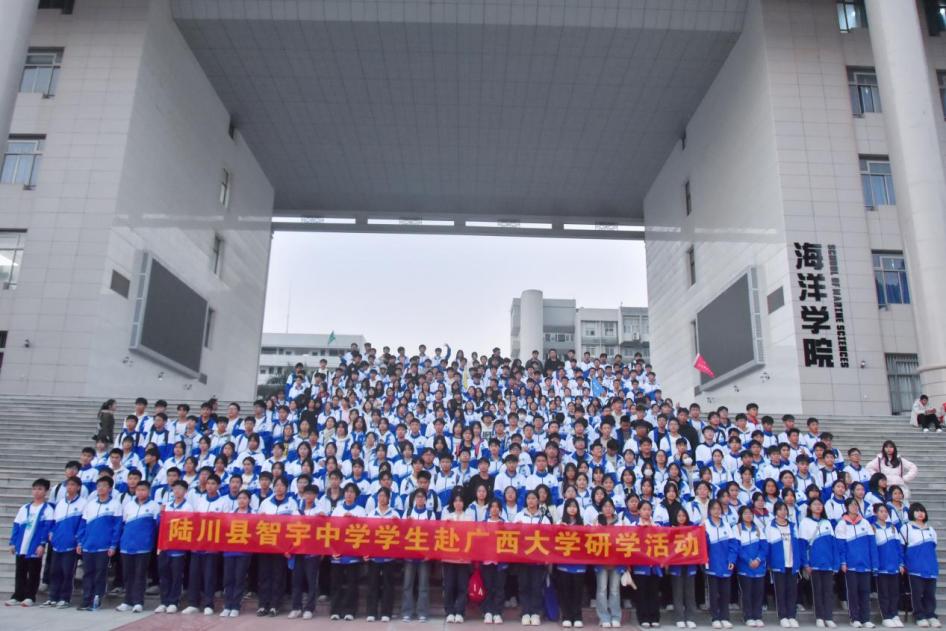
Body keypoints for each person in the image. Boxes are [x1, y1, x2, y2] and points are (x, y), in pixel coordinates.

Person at [76, 476, 122, 611]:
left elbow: (117, 527)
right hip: (88, 546)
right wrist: (80, 542)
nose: (101, 488)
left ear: (110, 488)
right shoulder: (90, 504)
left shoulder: (115, 505)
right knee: (87, 573)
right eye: (99, 486)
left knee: (100, 574)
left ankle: (97, 599)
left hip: (104, 546)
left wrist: (113, 545)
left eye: (104, 486)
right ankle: (86, 599)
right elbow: (83, 525)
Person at [7, 479, 54, 607]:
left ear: (46, 491)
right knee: (20, 571)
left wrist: (42, 544)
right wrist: (13, 542)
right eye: (35, 489)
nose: (37, 491)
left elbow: (47, 528)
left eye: (40, 489)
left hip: (35, 546)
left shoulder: (47, 509)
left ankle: (30, 596)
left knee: (33, 572)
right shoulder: (24, 508)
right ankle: (17, 596)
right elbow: (16, 525)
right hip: (21, 545)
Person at [115, 480, 160, 613]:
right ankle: (127, 601)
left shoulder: (154, 506)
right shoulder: (128, 505)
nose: (140, 492)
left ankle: (138, 602)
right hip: (127, 545)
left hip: (143, 546)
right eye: (138, 490)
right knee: (127, 575)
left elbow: (156, 526)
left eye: (143, 490)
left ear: (149, 491)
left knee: (140, 575)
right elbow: (123, 524)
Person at [256, 475, 295, 617]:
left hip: (282, 546)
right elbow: (257, 523)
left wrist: (289, 547)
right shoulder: (266, 503)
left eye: (282, 485)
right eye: (277, 485)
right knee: (264, 575)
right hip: (266, 544)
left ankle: (275, 605)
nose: (279, 488)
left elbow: (295, 525)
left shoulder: (291, 503)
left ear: (286, 488)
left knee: (279, 575)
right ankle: (263, 605)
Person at [836, 497, 877, 628]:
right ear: (846, 507)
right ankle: (854, 618)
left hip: (865, 564)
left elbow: (872, 544)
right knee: (852, 592)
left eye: (856, 504)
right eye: (852, 504)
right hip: (851, 565)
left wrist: (874, 563)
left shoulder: (865, 522)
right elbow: (841, 546)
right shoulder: (842, 524)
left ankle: (866, 619)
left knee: (865, 592)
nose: (855, 506)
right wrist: (843, 562)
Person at [45, 475, 85, 608]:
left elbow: (82, 525)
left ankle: (65, 598)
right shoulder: (61, 503)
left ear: (78, 487)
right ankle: (53, 597)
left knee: (67, 572)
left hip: (71, 544)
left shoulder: (83, 503)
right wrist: (52, 533)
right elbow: (54, 521)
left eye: (73, 485)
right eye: (68, 485)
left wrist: (78, 540)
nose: (70, 487)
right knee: (54, 571)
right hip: (57, 543)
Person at [799, 498, 839, 628]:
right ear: (809, 507)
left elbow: (834, 545)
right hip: (814, 564)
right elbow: (802, 545)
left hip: (828, 563)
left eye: (820, 504)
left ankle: (829, 617)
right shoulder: (805, 522)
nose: (818, 506)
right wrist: (805, 564)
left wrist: (836, 564)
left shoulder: (827, 522)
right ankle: (819, 617)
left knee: (828, 592)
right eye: (815, 504)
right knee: (817, 591)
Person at [514, 490, 551, 626]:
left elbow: (549, 538)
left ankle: (535, 613)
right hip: (523, 558)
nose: (531, 501)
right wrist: (516, 528)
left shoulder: (544, 518)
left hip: (537, 558)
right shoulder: (519, 516)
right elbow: (512, 536)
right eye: (529, 498)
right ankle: (525, 612)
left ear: (538, 500)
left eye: (534, 498)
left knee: (536, 586)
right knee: (523, 585)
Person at [330, 483, 366, 620]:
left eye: (352, 492)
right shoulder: (337, 510)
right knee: (336, 584)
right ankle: (335, 610)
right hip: (338, 552)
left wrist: (354, 520)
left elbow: (365, 530)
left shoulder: (361, 511)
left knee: (352, 584)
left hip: (353, 553)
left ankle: (350, 611)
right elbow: (331, 530)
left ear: (356, 495)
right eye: (346, 491)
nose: (349, 494)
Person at [901, 503, 939, 628]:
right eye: (917, 511)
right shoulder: (906, 528)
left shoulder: (931, 530)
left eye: (922, 511)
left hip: (930, 567)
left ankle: (931, 615)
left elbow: (933, 547)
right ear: (912, 513)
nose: (920, 513)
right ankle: (919, 616)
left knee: (930, 594)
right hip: (915, 567)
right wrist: (903, 563)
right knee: (917, 593)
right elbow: (901, 547)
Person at [156, 479, 191, 614]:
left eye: (180, 489)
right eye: (175, 489)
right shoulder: (167, 506)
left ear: (185, 491)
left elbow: (188, 524)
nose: (177, 491)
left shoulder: (188, 507)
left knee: (176, 575)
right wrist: (161, 514)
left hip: (178, 546)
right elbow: (159, 524)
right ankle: (164, 601)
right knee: (164, 575)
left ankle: (174, 601)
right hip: (165, 545)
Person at [365, 487, 399, 622]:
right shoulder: (371, 514)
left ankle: (386, 612)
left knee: (388, 585)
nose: (382, 498)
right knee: (372, 584)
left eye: (385, 496)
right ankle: (371, 612)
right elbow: (367, 534)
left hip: (389, 556)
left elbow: (400, 535)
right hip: (374, 555)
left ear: (389, 498)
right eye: (380, 496)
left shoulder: (394, 514)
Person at [401, 488, 434, 623]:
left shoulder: (430, 514)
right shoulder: (408, 512)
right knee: (407, 585)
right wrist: (406, 524)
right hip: (409, 553)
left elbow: (433, 534)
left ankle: (422, 613)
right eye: (418, 497)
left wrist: (429, 552)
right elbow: (402, 533)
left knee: (423, 586)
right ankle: (407, 612)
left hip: (424, 554)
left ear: (425, 499)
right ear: (414, 499)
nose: (420, 499)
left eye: (422, 497)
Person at [766, 501, 801, 628]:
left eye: (785, 509)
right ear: (775, 511)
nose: (783, 511)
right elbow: (768, 547)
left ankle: (792, 616)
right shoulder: (771, 527)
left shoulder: (793, 526)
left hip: (792, 563)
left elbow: (798, 545)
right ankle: (783, 616)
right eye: (780, 509)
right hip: (778, 564)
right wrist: (769, 563)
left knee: (792, 591)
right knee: (780, 591)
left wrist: (799, 562)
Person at [289, 484, 322, 620]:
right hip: (298, 551)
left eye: (311, 494)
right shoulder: (296, 511)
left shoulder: (319, 511)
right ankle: (296, 607)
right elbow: (290, 530)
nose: (309, 496)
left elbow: (323, 531)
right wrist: (289, 549)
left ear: (315, 496)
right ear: (303, 495)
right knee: (296, 581)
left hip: (312, 552)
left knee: (311, 581)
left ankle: (309, 608)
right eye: (306, 493)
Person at [705, 499, 737, 629]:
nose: (716, 511)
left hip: (725, 563)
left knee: (725, 592)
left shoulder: (727, 525)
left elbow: (733, 544)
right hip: (712, 563)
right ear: (709, 510)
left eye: (718, 508)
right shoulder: (705, 524)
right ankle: (715, 617)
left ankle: (725, 617)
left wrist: (731, 560)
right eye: (713, 509)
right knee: (713, 592)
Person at [221, 490, 254, 618]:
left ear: (249, 500)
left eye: (244, 498)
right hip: (229, 552)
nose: (242, 500)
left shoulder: (253, 514)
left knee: (239, 578)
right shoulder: (230, 514)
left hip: (244, 552)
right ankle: (227, 605)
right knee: (228, 579)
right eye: (239, 498)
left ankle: (235, 606)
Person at [872, 503, 905, 628]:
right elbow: (873, 549)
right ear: (875, 513)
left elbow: (898, 547)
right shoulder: (872, 528)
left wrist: (900, 563)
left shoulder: (893, 528)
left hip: (894, 567)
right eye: (881, 511)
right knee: (884, 593)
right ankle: (886, 616)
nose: (884, 513)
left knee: (894, 593)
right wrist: (875, 565)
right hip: (881, 567)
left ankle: (894, 614)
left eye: (886, 511)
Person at [442, 489, 472, 623]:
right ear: (453, 503)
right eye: (456, 501)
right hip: (449, 556)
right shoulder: (447, 517)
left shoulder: (469, 518)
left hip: (463, 557)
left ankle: (460, 611)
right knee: (449, 585)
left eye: (460, 501)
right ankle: (449, 611)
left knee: (462, 585)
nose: (458, 503)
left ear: (464, 503)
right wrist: (446, 525)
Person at [735, 506, 767, 628]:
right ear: (741, 515)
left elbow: (764, 547)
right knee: (746, 593)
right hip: (744, 566)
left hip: (759, 566)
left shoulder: (758, 529)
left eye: (750, 513)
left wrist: (758, 559)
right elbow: (738, 548)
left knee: (758, 592)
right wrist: (748, 560)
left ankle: (758, 616)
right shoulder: (737, 528)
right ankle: (747, 616)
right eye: (745, 513)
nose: (748, 515)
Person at [556, 498, 586, 629]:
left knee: (577, 592)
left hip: (579, 564)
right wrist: (559, 529)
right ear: (565, 508)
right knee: (565, 591)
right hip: (564, 563)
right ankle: (566, 616)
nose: (572, 509)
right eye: (570, 506)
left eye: (575, 506)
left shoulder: (582, 523)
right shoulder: (560, 523)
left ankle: (577, 617)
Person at [595, 498, 623, 628]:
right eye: (605, 506)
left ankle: (616, 616)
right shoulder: (597, 521)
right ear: (601, 508)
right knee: (602, 589)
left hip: (616, 560)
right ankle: (603, 617)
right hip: (601, 560)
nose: (608, 508)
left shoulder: (620, 522)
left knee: (615, 589)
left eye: (610, 506)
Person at [669, 508, 698, 629]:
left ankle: (690, 618)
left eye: (683, 516)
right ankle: (679, 618)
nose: (681, 518)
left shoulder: (692, 529)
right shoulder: (670, 529)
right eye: (679, 516)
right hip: (676, 566)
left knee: (690, 593)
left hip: (689, 565)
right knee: (678, 593)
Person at [482, 499, 508, 625]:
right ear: (488, 510)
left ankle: (497, 612)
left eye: (497, 506)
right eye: (492, 506)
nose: (494, 509)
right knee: (488, 586)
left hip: (500, 561)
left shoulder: (505, 524)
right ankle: (488, 611)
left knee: (499, 587)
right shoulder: (483, 523)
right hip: (487, 560)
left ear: (500, 510)